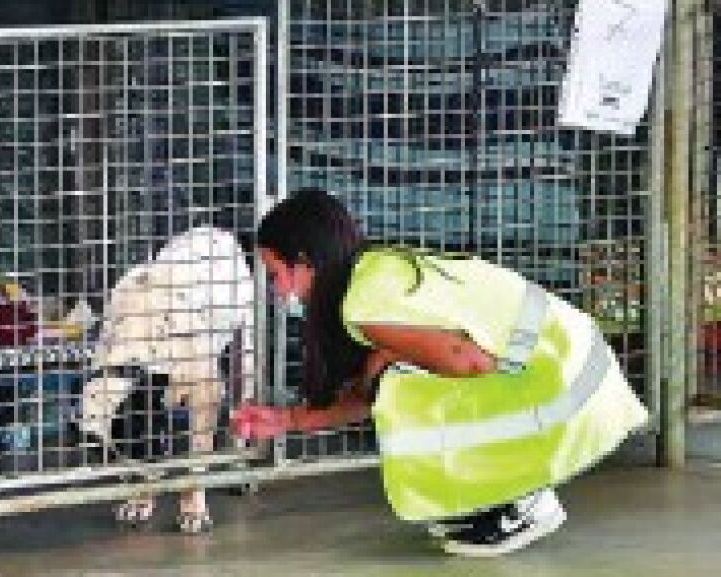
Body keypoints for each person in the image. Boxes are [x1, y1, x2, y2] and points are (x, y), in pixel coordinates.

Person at [232, 189, 648, 557]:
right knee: (387, 376)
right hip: (584, 377)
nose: (278, 291)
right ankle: (495, 497)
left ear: (305, 263)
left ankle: (518, 500)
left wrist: (381, 364)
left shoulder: (362, 303)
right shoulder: (376, 271)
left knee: (396, 384)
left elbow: (468, 364)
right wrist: (289, 420)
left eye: (276, 274)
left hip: (570, 395)